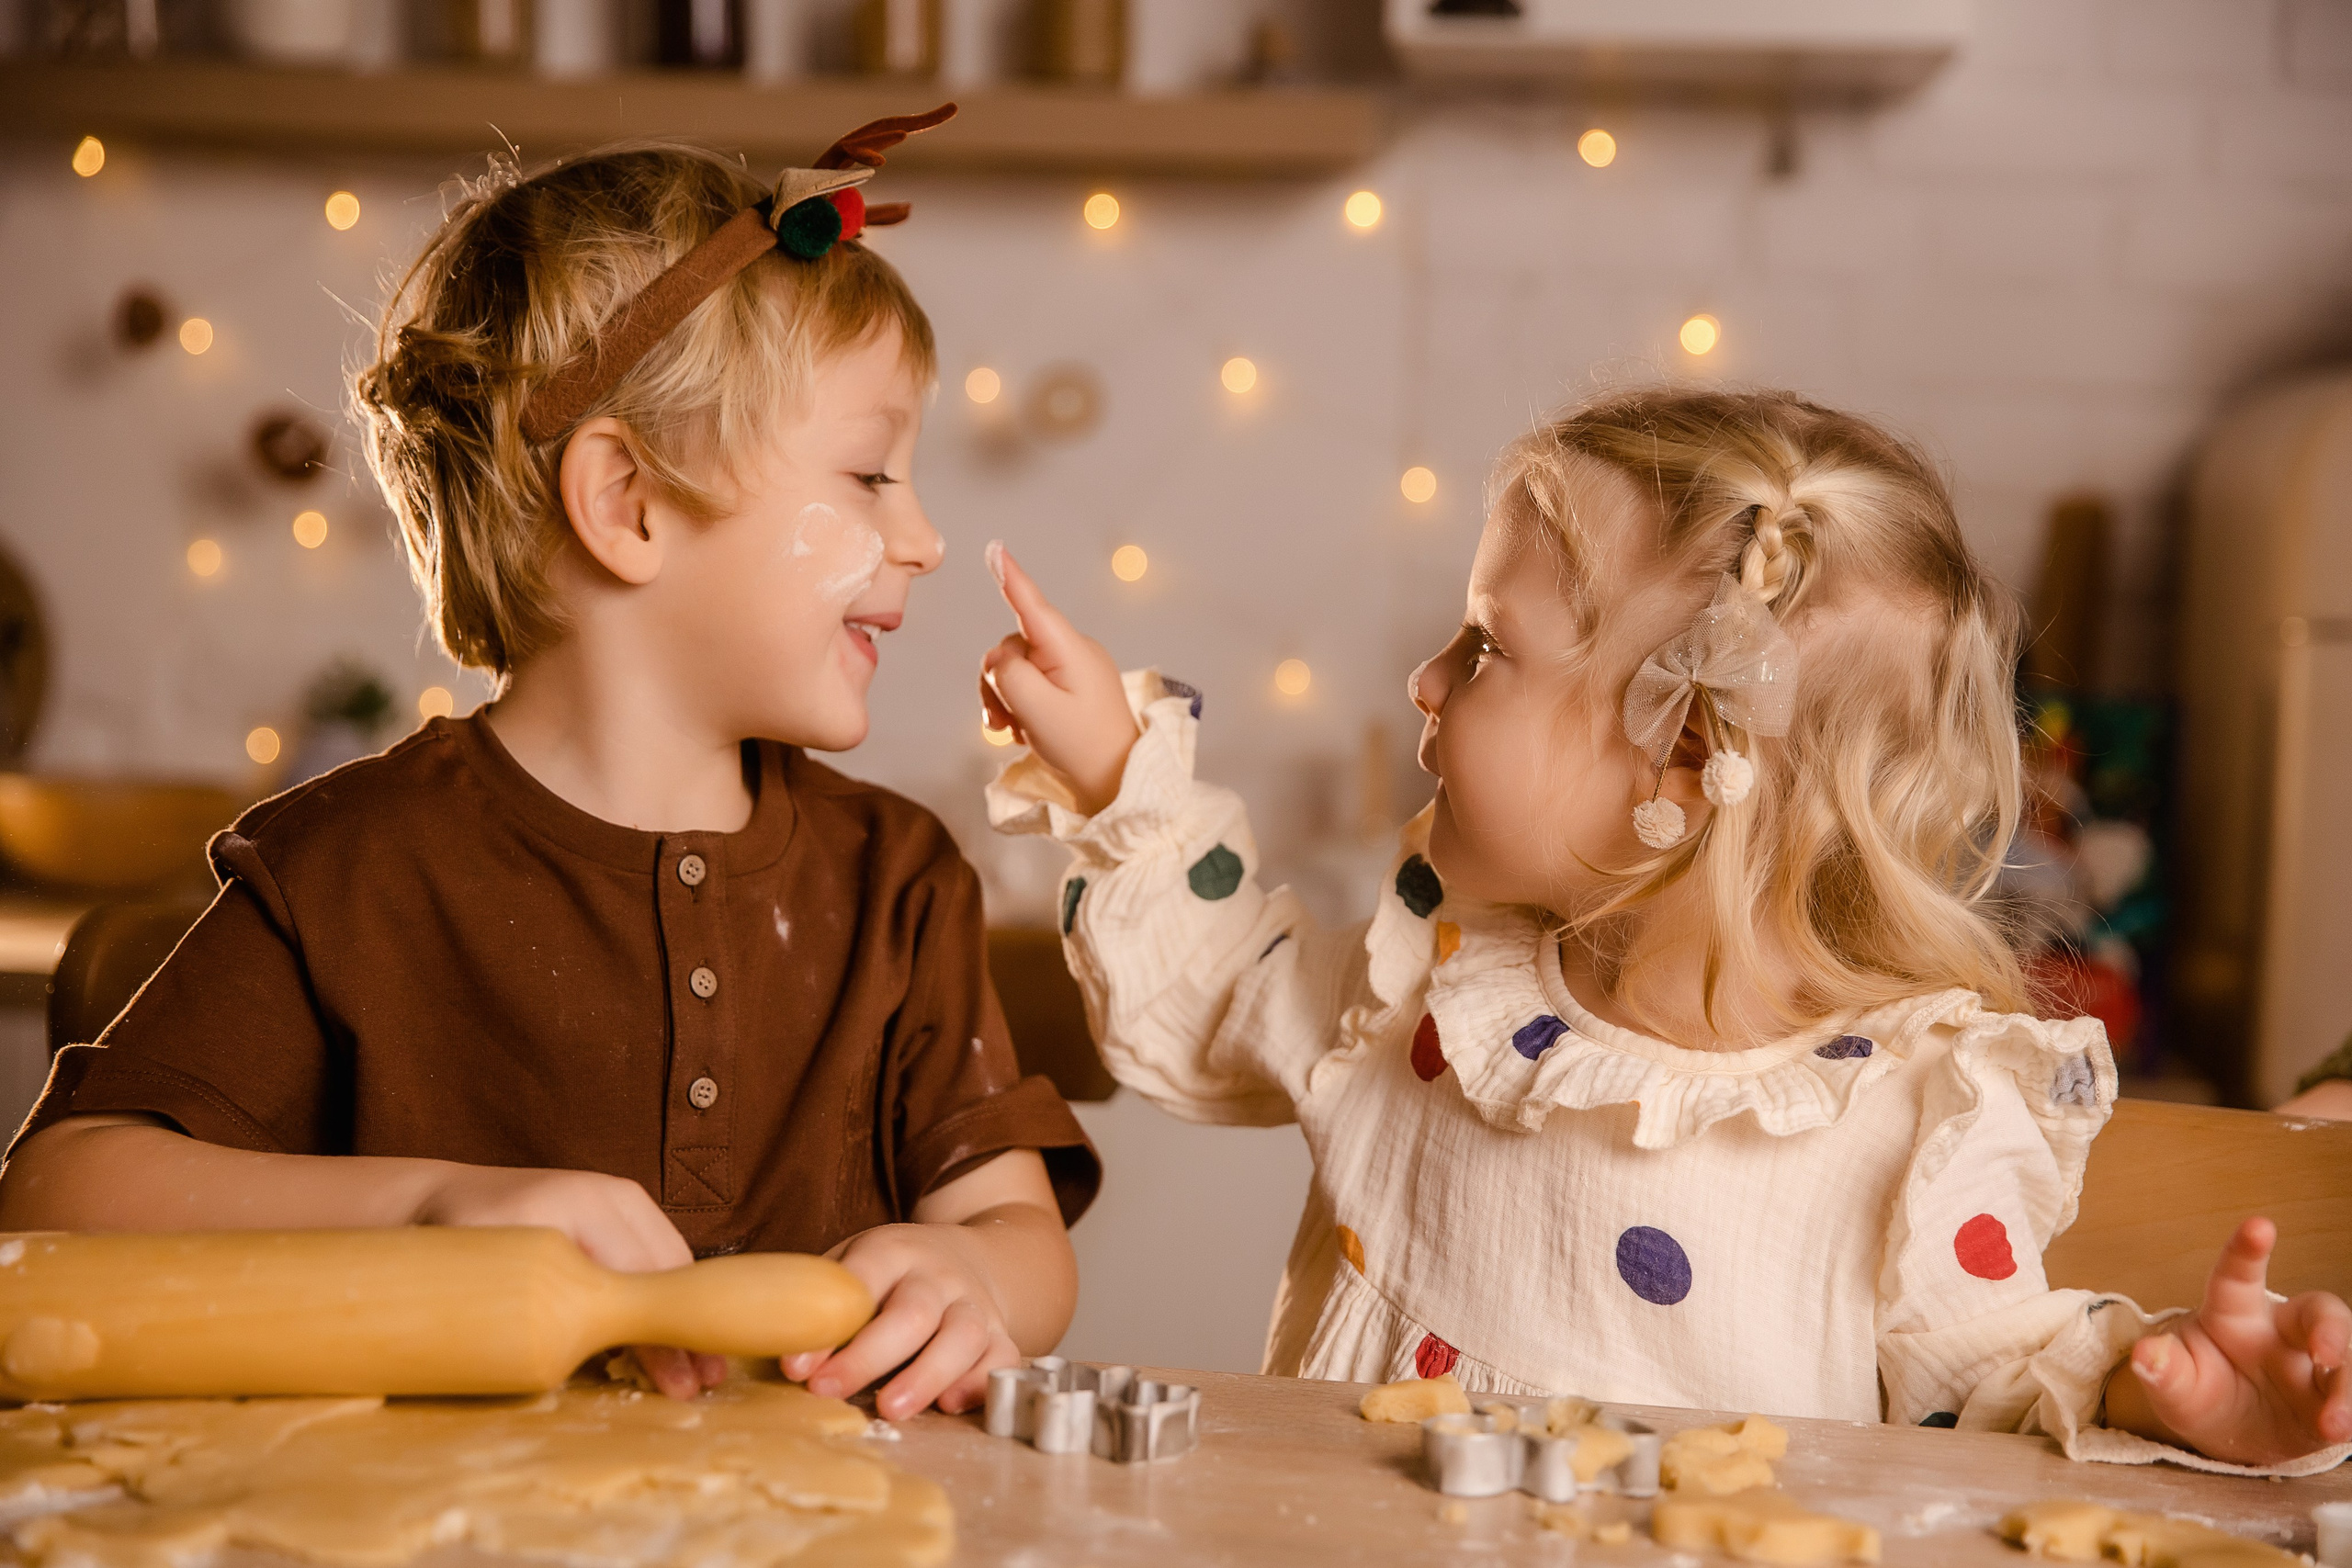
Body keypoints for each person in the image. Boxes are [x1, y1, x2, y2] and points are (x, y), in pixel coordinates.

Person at [978, 387, 2349, 1472]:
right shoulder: (1436, 983)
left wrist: (2172, 1391)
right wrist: (1118, 778)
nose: (1425, 681)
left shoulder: (1905, 1123)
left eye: (1484, 647)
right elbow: (1218, 993)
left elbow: (1996, 1379)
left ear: (1686, 749)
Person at [0, 122, 1099, 1419]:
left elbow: (1022, 1242)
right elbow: (60, 1199)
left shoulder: (899, 883)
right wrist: (431, 1204)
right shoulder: (353, 867)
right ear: (627, 503)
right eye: (867, 475)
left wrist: (971, 1272)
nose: (919, 537)